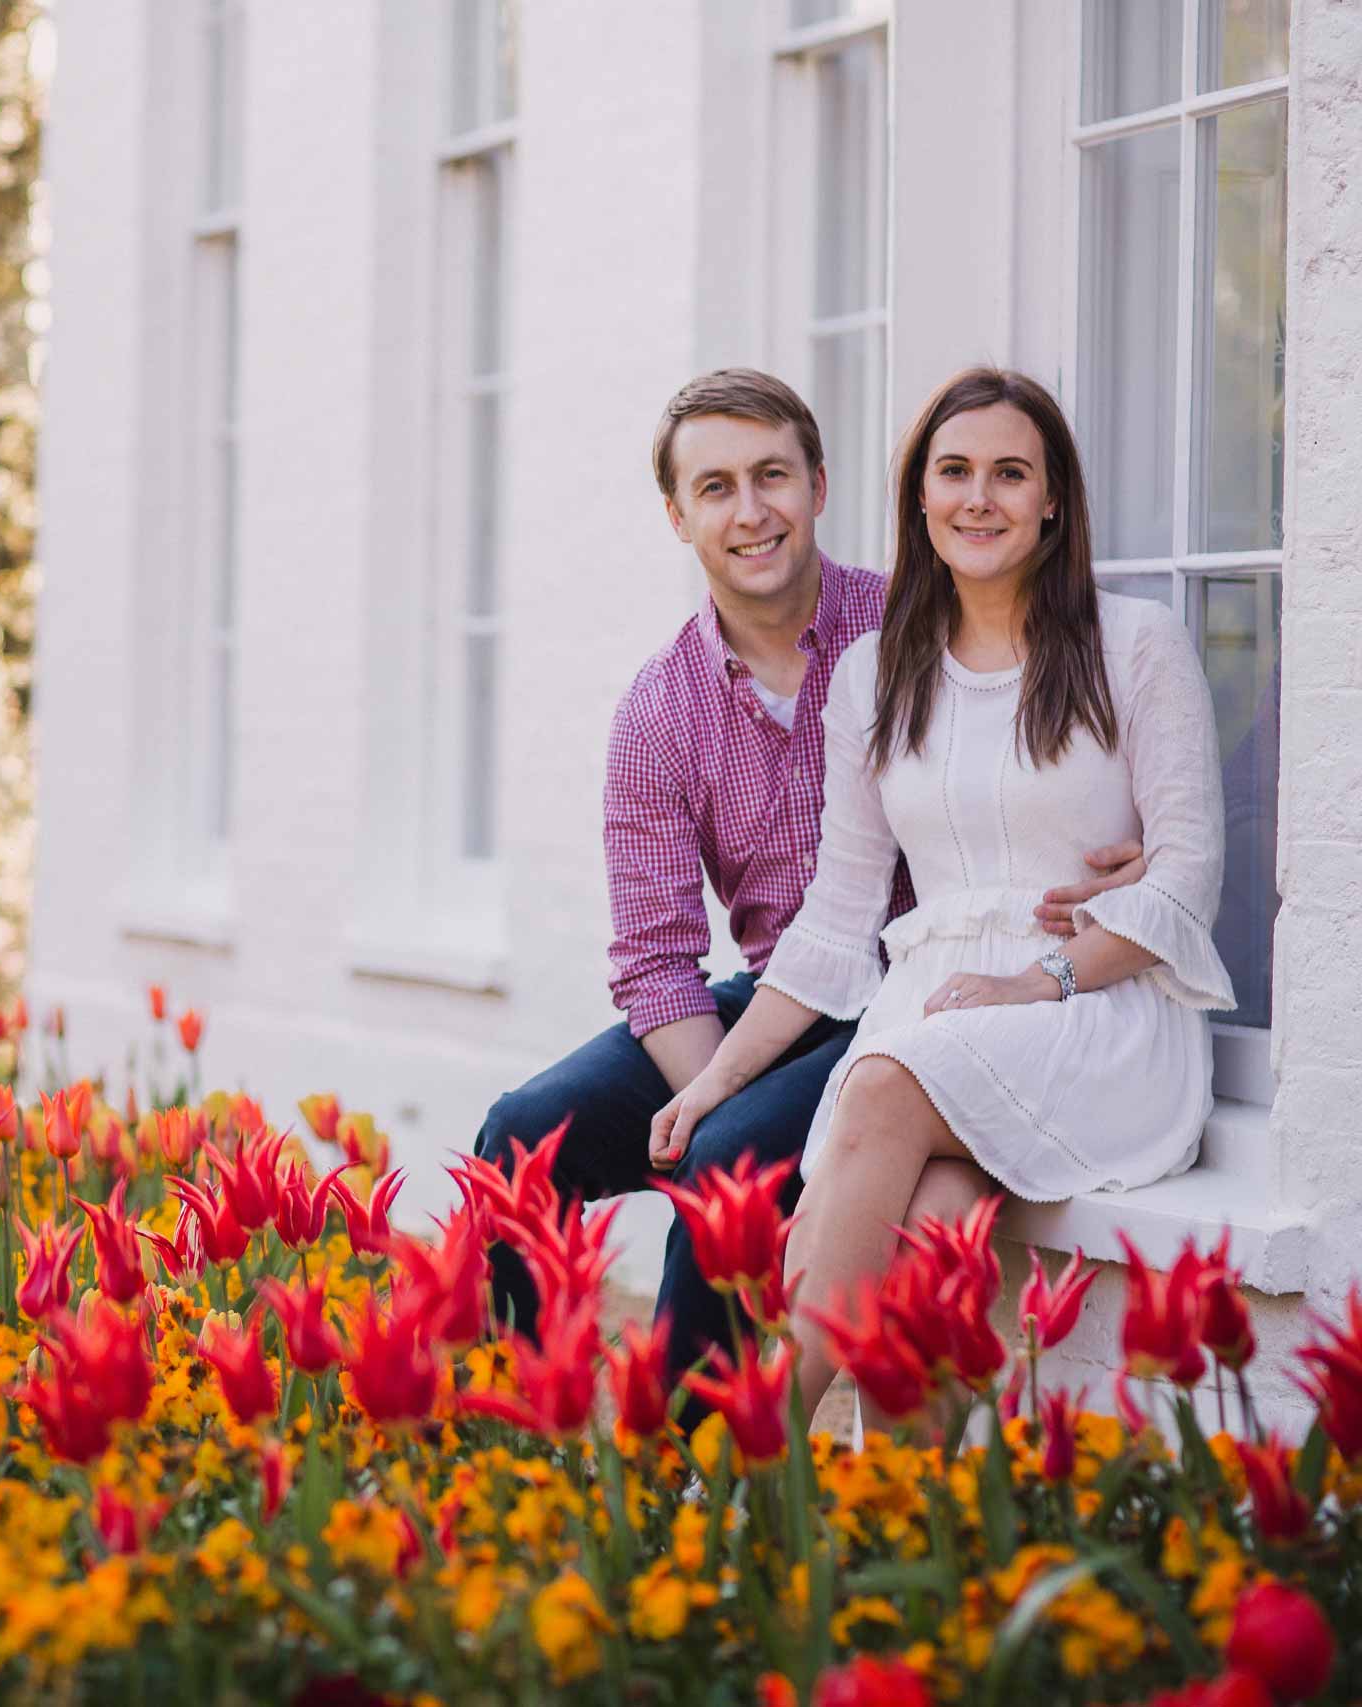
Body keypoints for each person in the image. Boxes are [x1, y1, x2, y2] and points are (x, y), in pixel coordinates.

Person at [473, 368, 1144, 1387]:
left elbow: (1058, 757)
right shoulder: (659, 712)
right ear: (675, 515)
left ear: (819, 486)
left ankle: (695, 1463)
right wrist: (710, 1088)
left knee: (728, 1165)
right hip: (779, 999)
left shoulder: (920, 627)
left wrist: (1146, 857)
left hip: (924, 1000)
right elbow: (655, 961)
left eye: (772, 476)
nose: (750, 513)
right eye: (714, 488)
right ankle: (510, 1409)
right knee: (521, 1134)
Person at [646, 367, 1233, 1422]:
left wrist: (1042, 977)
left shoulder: (1135, 646)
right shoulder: (876, 675)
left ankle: (754, 1441)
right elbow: (835, 919)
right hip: (936, 1013)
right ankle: (913, 1536)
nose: (979, 498)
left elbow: (1186, 877)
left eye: (1010, 474)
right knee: (929, 1243)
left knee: (876, 1088)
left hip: (1094, 1015)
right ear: (918, 497)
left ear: (1052, 499)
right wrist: (712, 1083)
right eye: (953, 472)